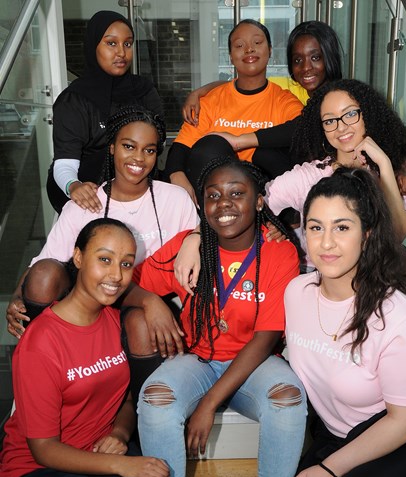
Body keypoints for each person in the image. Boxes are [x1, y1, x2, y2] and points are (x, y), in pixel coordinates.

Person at [124, 157, 307, 477]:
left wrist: (208, 405)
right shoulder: (187, 247)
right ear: (202, 206)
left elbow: (266, 338)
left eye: (237, 194)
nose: (224, 204)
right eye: (213, 196)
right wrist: (151, 301)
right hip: (199, 361)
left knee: (289, 401)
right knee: (155, 399)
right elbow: (124, 281)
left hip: (254, 366)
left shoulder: (280, 252)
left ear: (259, 202)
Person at [276, 169, 406, 477]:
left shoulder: (400, 316)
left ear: (366, 234)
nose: (326, 243)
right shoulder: (296, 293)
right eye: (315, 227)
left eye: (342, 228)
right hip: (339, 436)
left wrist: (331, 469)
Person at [0, 218, 185, 477]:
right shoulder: (40, 343)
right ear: (77, 258)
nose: (116, 275)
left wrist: (121, 433)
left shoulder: (116, 321)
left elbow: (127, 396)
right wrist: (123, 464)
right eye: (104, 259)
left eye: (126, 264)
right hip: (41, 468)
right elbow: (43, 448)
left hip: (102, 449)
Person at [172, 79, 406, 286]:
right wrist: (196, 236)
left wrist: (384, 166)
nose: (341, 127)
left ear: (369, 114)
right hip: (317, 280)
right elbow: (243, 204)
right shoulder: (310, 176)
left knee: (403, 261)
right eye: (329, 120)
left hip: (370, 281)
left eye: (350, 114)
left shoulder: (392, 173)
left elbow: (397, 234)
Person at [6, 105, 199, 340]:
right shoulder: (85, 203)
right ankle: (42, 353)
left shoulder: (175, 198)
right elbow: (44, 262)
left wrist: (196, 236)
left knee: (140, 322)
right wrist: (18, 297)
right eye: (128, 146)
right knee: (45, 273)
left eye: (149, 150)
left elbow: (199, 251)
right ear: (112, 148)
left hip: (154, 302)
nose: (138, 158)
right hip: (96, 303)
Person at [164, 19, 304, 204]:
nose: (249, 49)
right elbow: (181, 147)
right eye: (239, 45)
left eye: (257, 42)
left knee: (269, 154)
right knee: (211, 145)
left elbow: (302, 128)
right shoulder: (212, 100)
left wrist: (239, 141)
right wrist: (176, 176)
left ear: (270, 50)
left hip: (265, 195)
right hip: (217, 195)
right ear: (230, 56)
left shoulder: (283, 100)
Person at [181, 21, 343, 178]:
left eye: (315, 57)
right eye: (297, 60)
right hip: (266, 178)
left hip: (329, 179)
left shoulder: (341, 98)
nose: (306, 67)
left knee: (264, 154)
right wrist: (199, 92)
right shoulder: (296, 87)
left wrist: (240, 141)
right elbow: (241, 85)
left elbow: (302, 125)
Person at [47, 10, 163, 214]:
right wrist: (73, 186)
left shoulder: (144, 90)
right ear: (94, 46)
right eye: (111, 43)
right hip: (87, 191)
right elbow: (65, 162)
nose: (121, 52)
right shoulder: (74, 99)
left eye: (127, 44)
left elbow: (155, 146)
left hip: (136, 185)